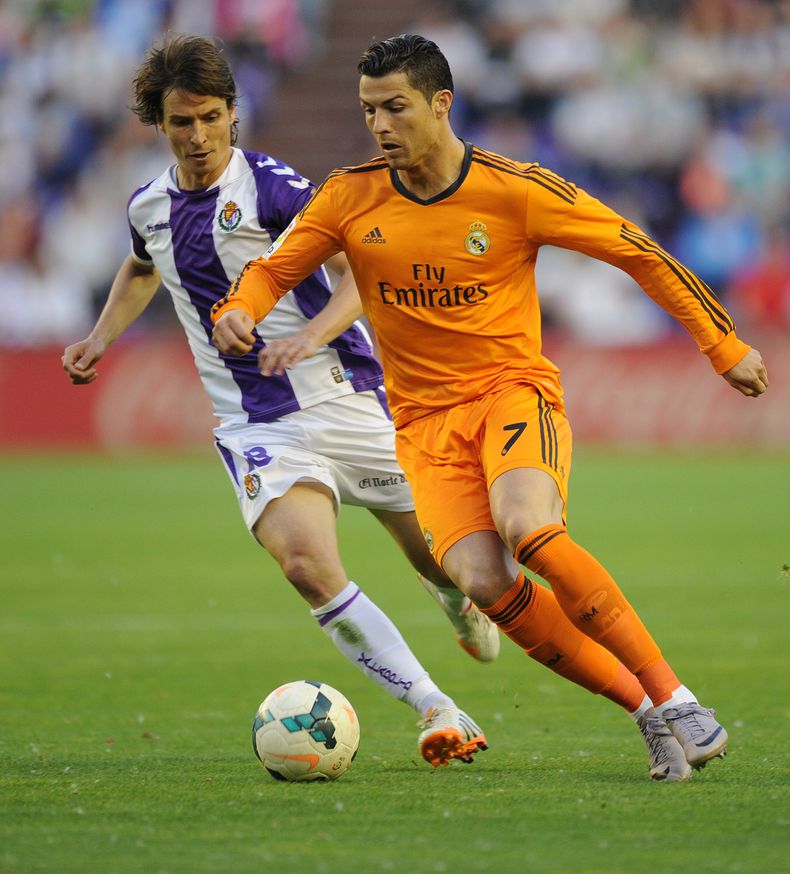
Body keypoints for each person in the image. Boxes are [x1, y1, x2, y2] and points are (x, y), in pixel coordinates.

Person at [211, 34, 770, 782]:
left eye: (395, 107)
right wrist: (239, 308)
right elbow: (272, 270)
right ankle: (644, 713)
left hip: (511, 395)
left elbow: (634, 247)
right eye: (368, 109)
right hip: (423, 427)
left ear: (442, 104)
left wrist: (720, 343)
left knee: (529, 527)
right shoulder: (350, 195)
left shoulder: (515, 189)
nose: (379, 124)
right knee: (481, 582)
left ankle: (679, 698)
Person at [61, 34, 503, 769]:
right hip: (257, 424)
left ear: (234, 114)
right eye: (181, 123)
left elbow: (361, 275)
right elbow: (142, 270)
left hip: (345, 397)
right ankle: (436, 706)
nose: (198, 136)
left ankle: (457, 602)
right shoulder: (149, 207)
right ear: (161, 126)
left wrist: (308, 337)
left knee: (451, 562)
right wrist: (100, 339)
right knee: (305, 564)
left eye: (209, 117)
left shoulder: (273, 188)